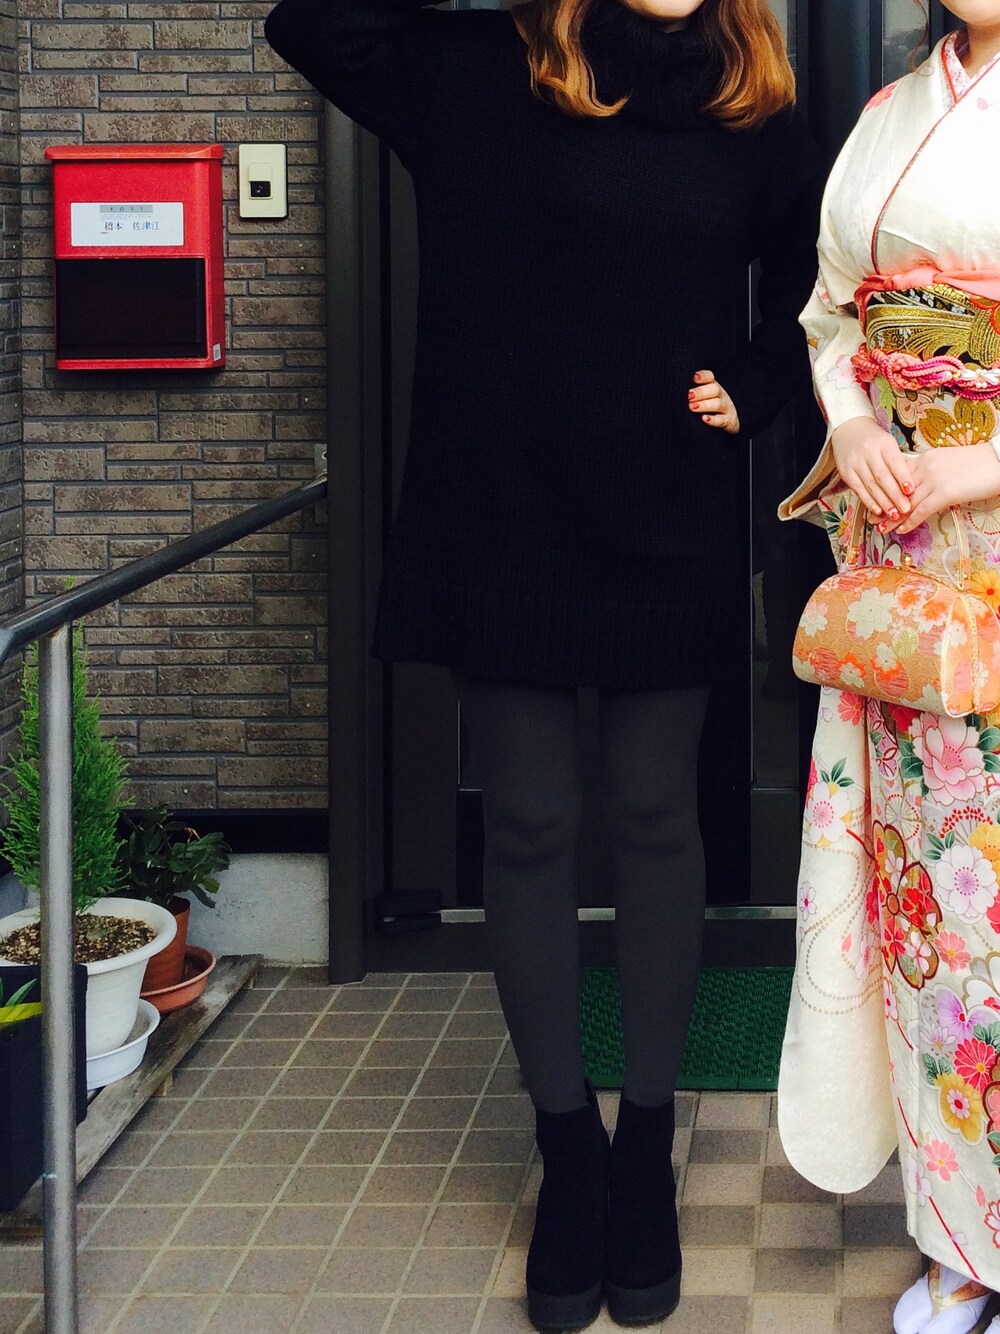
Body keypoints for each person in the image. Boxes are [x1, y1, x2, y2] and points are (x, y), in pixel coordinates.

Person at [266, 0, 819, 1326]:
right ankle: (567, 1144)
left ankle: (644, 1146)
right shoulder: (482, 67)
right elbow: (309, 23)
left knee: (654, 817)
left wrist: (754, 386)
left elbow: (824, 282)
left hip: (662, 512)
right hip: (500, 512)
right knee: (527, 823)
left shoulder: (752, 107)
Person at [779, 7, 1000, 1334]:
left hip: (986, 523)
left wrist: (972, 464)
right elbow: (830, 314)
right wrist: (858, 425)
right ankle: (960, 1237)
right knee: (927, 904)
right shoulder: (887, 114)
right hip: (909, 563)